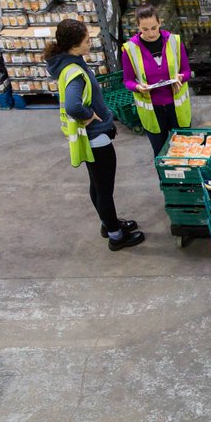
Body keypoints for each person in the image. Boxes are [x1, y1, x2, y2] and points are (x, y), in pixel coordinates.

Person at [45, 19, 144, 251]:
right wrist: (89, 115)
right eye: (86, 40)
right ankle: (116, 236)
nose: (90, 43)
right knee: (104, 190)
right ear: (74, 45)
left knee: (97, 185)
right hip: (96, 138)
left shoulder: (68, 63)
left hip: (90, 138)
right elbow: (72, 106)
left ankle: (107, 223)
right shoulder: (74, 72)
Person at [120, 4, 192, 157]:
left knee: (185, 151)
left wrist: (181, 77)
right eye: (145, 30)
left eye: (154, 27)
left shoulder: (174, 42)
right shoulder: (130, 49)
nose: (151, 33)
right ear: (138, 26)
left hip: (176, 109)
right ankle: (166, 181)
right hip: (153, 111)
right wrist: (138, 87)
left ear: (160, 22)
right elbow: (127, 81)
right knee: (161, 155)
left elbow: (186, 71)